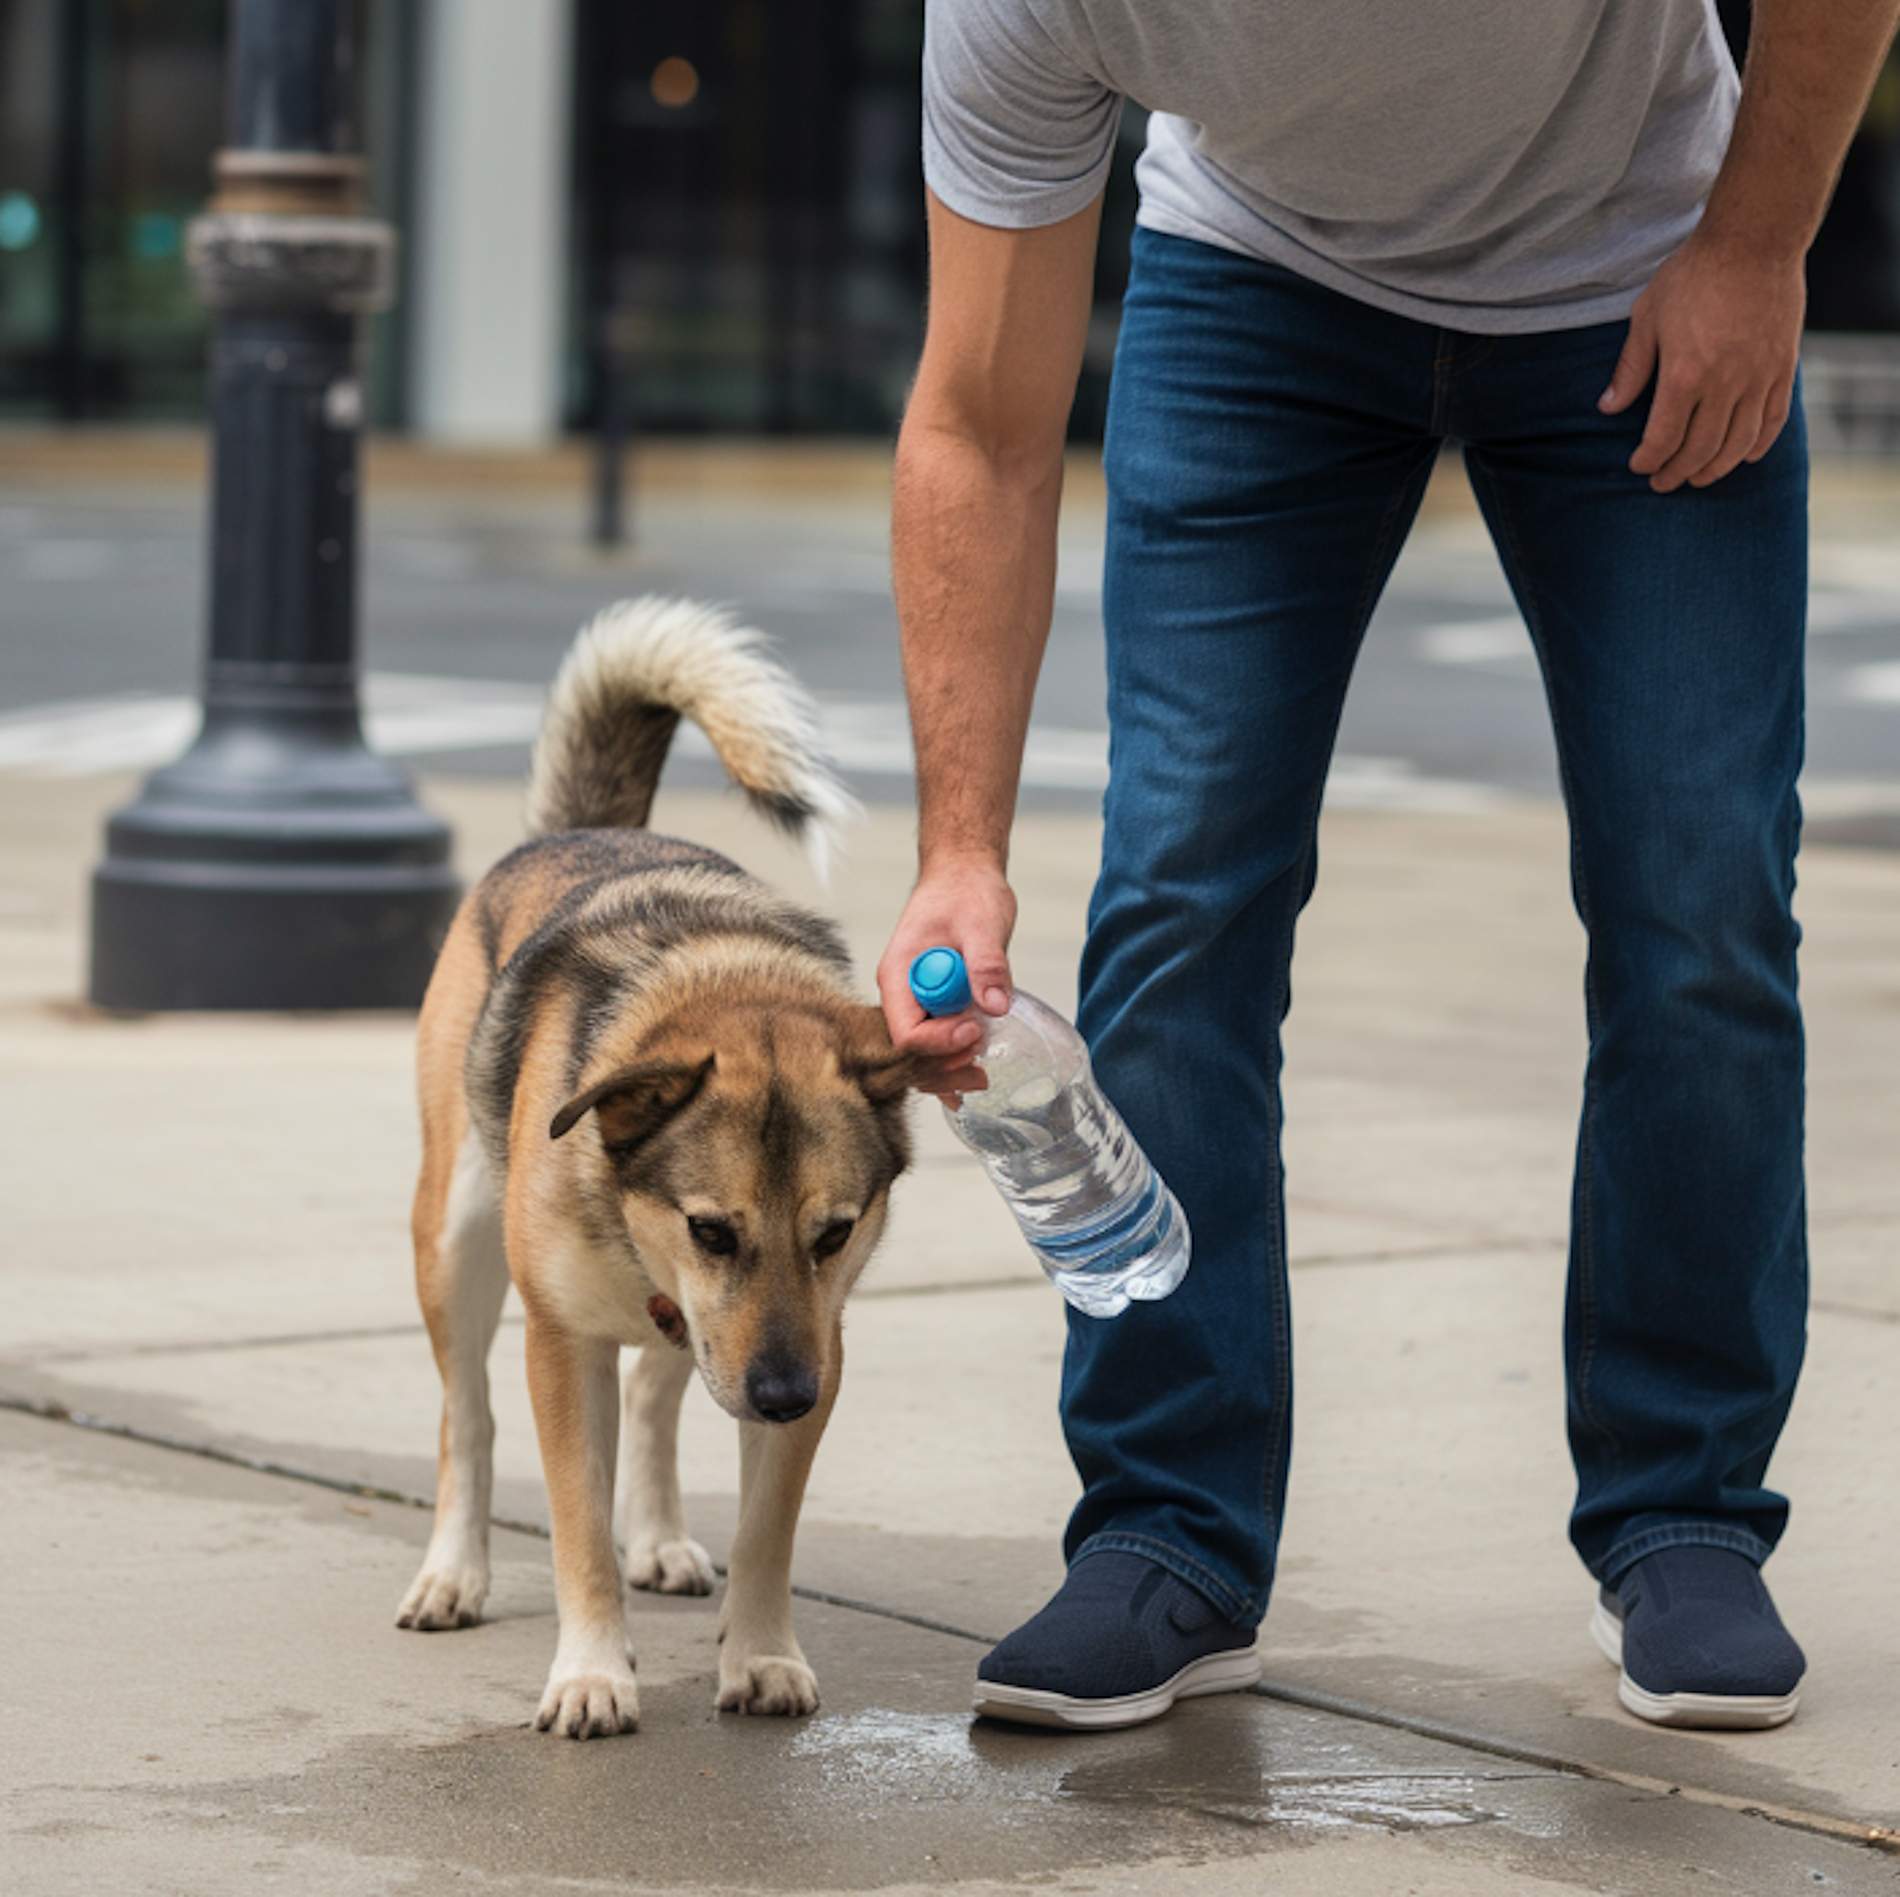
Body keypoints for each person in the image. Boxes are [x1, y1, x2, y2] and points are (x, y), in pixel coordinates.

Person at [877, 0, 1900, 1734]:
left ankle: (1683, 1515)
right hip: (1257, 288)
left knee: (1698, 897)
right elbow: (978, 421)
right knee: (1181, 894)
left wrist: (1757, 243)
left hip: (1640, 262)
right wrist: (958, 853)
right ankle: (1166, 1529)